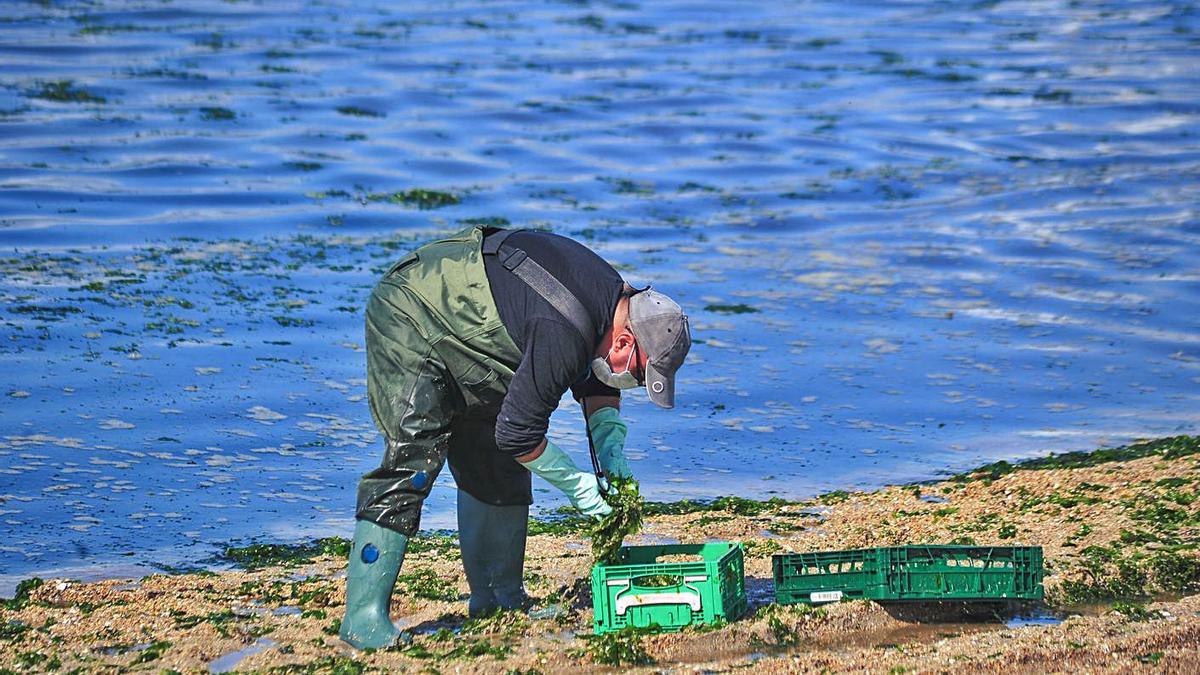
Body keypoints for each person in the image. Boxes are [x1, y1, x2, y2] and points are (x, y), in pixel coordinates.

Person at [339, 225, 691, 649]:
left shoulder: (613, 302)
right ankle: (363, 619)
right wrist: (577, 486)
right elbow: (520, 434)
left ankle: (498, 598)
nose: (633, 382)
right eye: (640, 374)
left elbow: (595, 378)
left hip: (475, 336)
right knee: (412, 462)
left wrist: (609, 443)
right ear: (624, 340)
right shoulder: (564, 328)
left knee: (496, 460)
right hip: (413, 313)